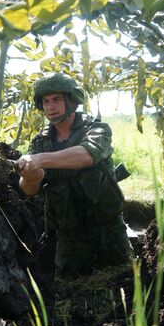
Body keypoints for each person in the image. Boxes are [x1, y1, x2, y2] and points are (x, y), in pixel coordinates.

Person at [17, 73, 133, 279]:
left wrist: (41, 160)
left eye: (56, 100)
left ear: (72, 100)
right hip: (69, 235)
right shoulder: (41, 142)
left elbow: (88, 155)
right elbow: (29, 190)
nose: (50, 106)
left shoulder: (96, 129)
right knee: (68, 292)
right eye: (45, 101)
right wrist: (30, 176)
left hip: (108, 227)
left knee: (126, 282)